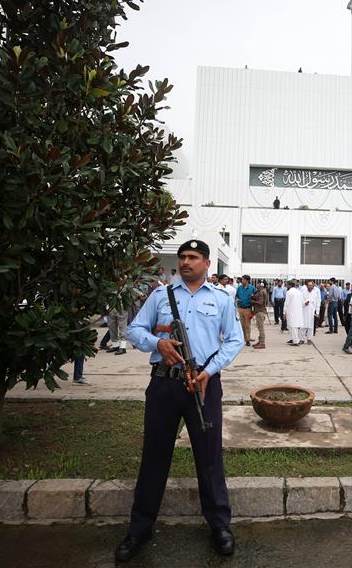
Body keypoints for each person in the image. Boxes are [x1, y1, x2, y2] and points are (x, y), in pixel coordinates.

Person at [116, 239, 243, 562]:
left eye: (193, 257)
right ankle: (140, 529)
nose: (186, 262)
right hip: (164, 385)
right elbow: (134, 330)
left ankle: (219, 525)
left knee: (210, 457)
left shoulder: (221, 299)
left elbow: (234, 341)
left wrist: (210, 371)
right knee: (154, 456)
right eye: (183, 257)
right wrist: (157, 344)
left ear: (206, 263)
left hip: (203, 384)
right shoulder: (161, 295)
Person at [235, 275, 256, 344]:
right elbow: (237, 296)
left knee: (247, 325)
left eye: (243, 279)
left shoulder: (252, 288)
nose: (242, 281)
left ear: (247, 281)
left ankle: (247, 339)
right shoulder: (239, 288)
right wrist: (238, 300)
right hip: (240, 308)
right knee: (241, 325)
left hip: (248, 309)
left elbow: (255, 298)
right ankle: (243, 338)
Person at [284, 280, 305, 345]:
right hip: (298, 312)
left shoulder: (289, 292)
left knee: (292, 327)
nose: (286, 286)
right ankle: (295, 339)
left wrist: (284, 312)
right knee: (295, 327)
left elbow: (286, 303)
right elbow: (303, 303)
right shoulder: (299, 292)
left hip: (291, 312)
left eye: (287, 285)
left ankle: (296, 341)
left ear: (290, 285)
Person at [300, 279, 320, 344]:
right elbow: (300, 302)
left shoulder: (315, 294)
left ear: (313, 286)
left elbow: (317, 303)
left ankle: (309, 339)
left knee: (310, 327)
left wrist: (317, 312)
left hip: (311, 313)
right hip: (304, 312)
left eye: (311, 285)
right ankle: (302, 339)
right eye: (308, 285)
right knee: (303, 326)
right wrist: (304, 304)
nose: (310, 286)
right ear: (307, 286)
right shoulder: (303, 293)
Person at [251, 281, 269, 350]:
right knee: (259, 327)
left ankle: (262, 343)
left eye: (258, 284)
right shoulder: (261, 291)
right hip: (259, 311)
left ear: (261, 285)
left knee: (261, 328)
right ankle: (260, 341)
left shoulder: (262, 292)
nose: (257, 285)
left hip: (260, 312)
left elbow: (261, 302)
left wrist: (253, 301)